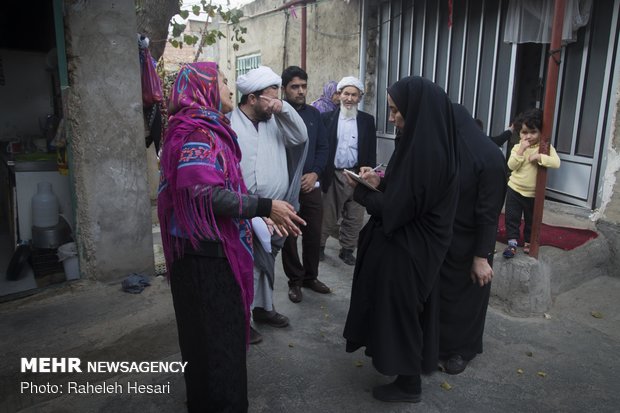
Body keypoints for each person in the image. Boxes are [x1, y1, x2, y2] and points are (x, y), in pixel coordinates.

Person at [157, 62, 305, 412]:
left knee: (208, 344)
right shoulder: (197, 133)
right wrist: (264, 207)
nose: (227, 85)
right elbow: (202, 193)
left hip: (203, 251)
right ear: (204, 88)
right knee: (218, 344)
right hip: (204, 260)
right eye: (222, 80)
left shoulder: (208, 127)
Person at [342, 76, 459, 403]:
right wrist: (379, 179)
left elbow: (395, 210)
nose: (393, 118)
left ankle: (409, 385)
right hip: (409, 247)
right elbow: (406, 194)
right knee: (402, 311)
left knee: (403, 313)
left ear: (416, 110)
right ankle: (405, 373)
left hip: (411, 250)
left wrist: (361, 192)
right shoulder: (421, 144)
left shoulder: (427, 153)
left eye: (397, 111)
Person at [230, 65, 309, 342]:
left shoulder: (275, 120)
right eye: (271, 95)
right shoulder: (230, 124)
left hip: (277, 209)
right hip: (247, 210)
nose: (277, 101)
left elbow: (300, 137)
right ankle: (243, 318)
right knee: (245, 265)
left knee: (267, 263)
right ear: (252, 98)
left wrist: (283, 109)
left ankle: (264, 308)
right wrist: (255, 210)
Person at [438, 104, 508, 375]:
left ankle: (462, 351)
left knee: (468, 300)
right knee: (447, 299)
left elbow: (489, 215)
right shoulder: (456, 150)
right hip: (450, 239)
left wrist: (481, 256)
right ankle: (441, 346)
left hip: (474, 245)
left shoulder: (489, 157)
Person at [280, 66, 331, 303]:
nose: (300, 91)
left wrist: (315, 174)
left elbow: (323, 147)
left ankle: (311, 276)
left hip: (311, 185)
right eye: (294, 87)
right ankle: (295, 281)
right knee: (289, 235)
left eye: (303, 86)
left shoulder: (314, 115)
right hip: (285, 186)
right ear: (284, 89)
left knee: (313, 232)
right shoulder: (277, 115)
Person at [320, 76, 377, 265]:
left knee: (355, 215)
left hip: (357, 174)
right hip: (334, 174)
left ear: (359, 98)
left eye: (354, 95)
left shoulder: (367, 121)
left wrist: (368, 173)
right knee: (327, 214)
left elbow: (370, 149)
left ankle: (347, 249)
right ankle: (319, 246)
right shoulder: (326, 118)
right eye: (346, 94)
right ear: (339, 95)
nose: (350, 99)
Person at [503, 108, 560, 258]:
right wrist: (521, 151)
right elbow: (511, 166)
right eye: (524, 132)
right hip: (514, 189)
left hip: (533, 193)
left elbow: (556, 163)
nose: (528, 136)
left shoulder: (545, 148)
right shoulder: (517, 147)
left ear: (541, 132)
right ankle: (512, 243)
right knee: (512, 217)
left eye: (533, 132)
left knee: (531, 219)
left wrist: (540, 157)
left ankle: (529, 241)